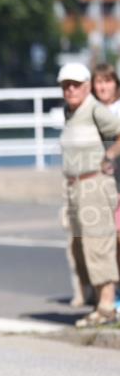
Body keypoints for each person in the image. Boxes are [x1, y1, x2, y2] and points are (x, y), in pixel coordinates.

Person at [58, 62, 120, 327]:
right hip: (74, 186)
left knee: (99, 243)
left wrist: (109, 156)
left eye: (75, 85)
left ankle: (107, 307)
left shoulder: (94, 109)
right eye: (65, 86)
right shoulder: (70, 112)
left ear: (86, 86)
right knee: (81, 247)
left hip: (94, 183)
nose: (70, 90)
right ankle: (98, 304)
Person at [91, 63, 120, 312]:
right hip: (101, 187)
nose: (102, 86)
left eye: (107, 81)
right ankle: (110, 293)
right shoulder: (90, 110)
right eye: (98, 81)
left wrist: (109, 154)